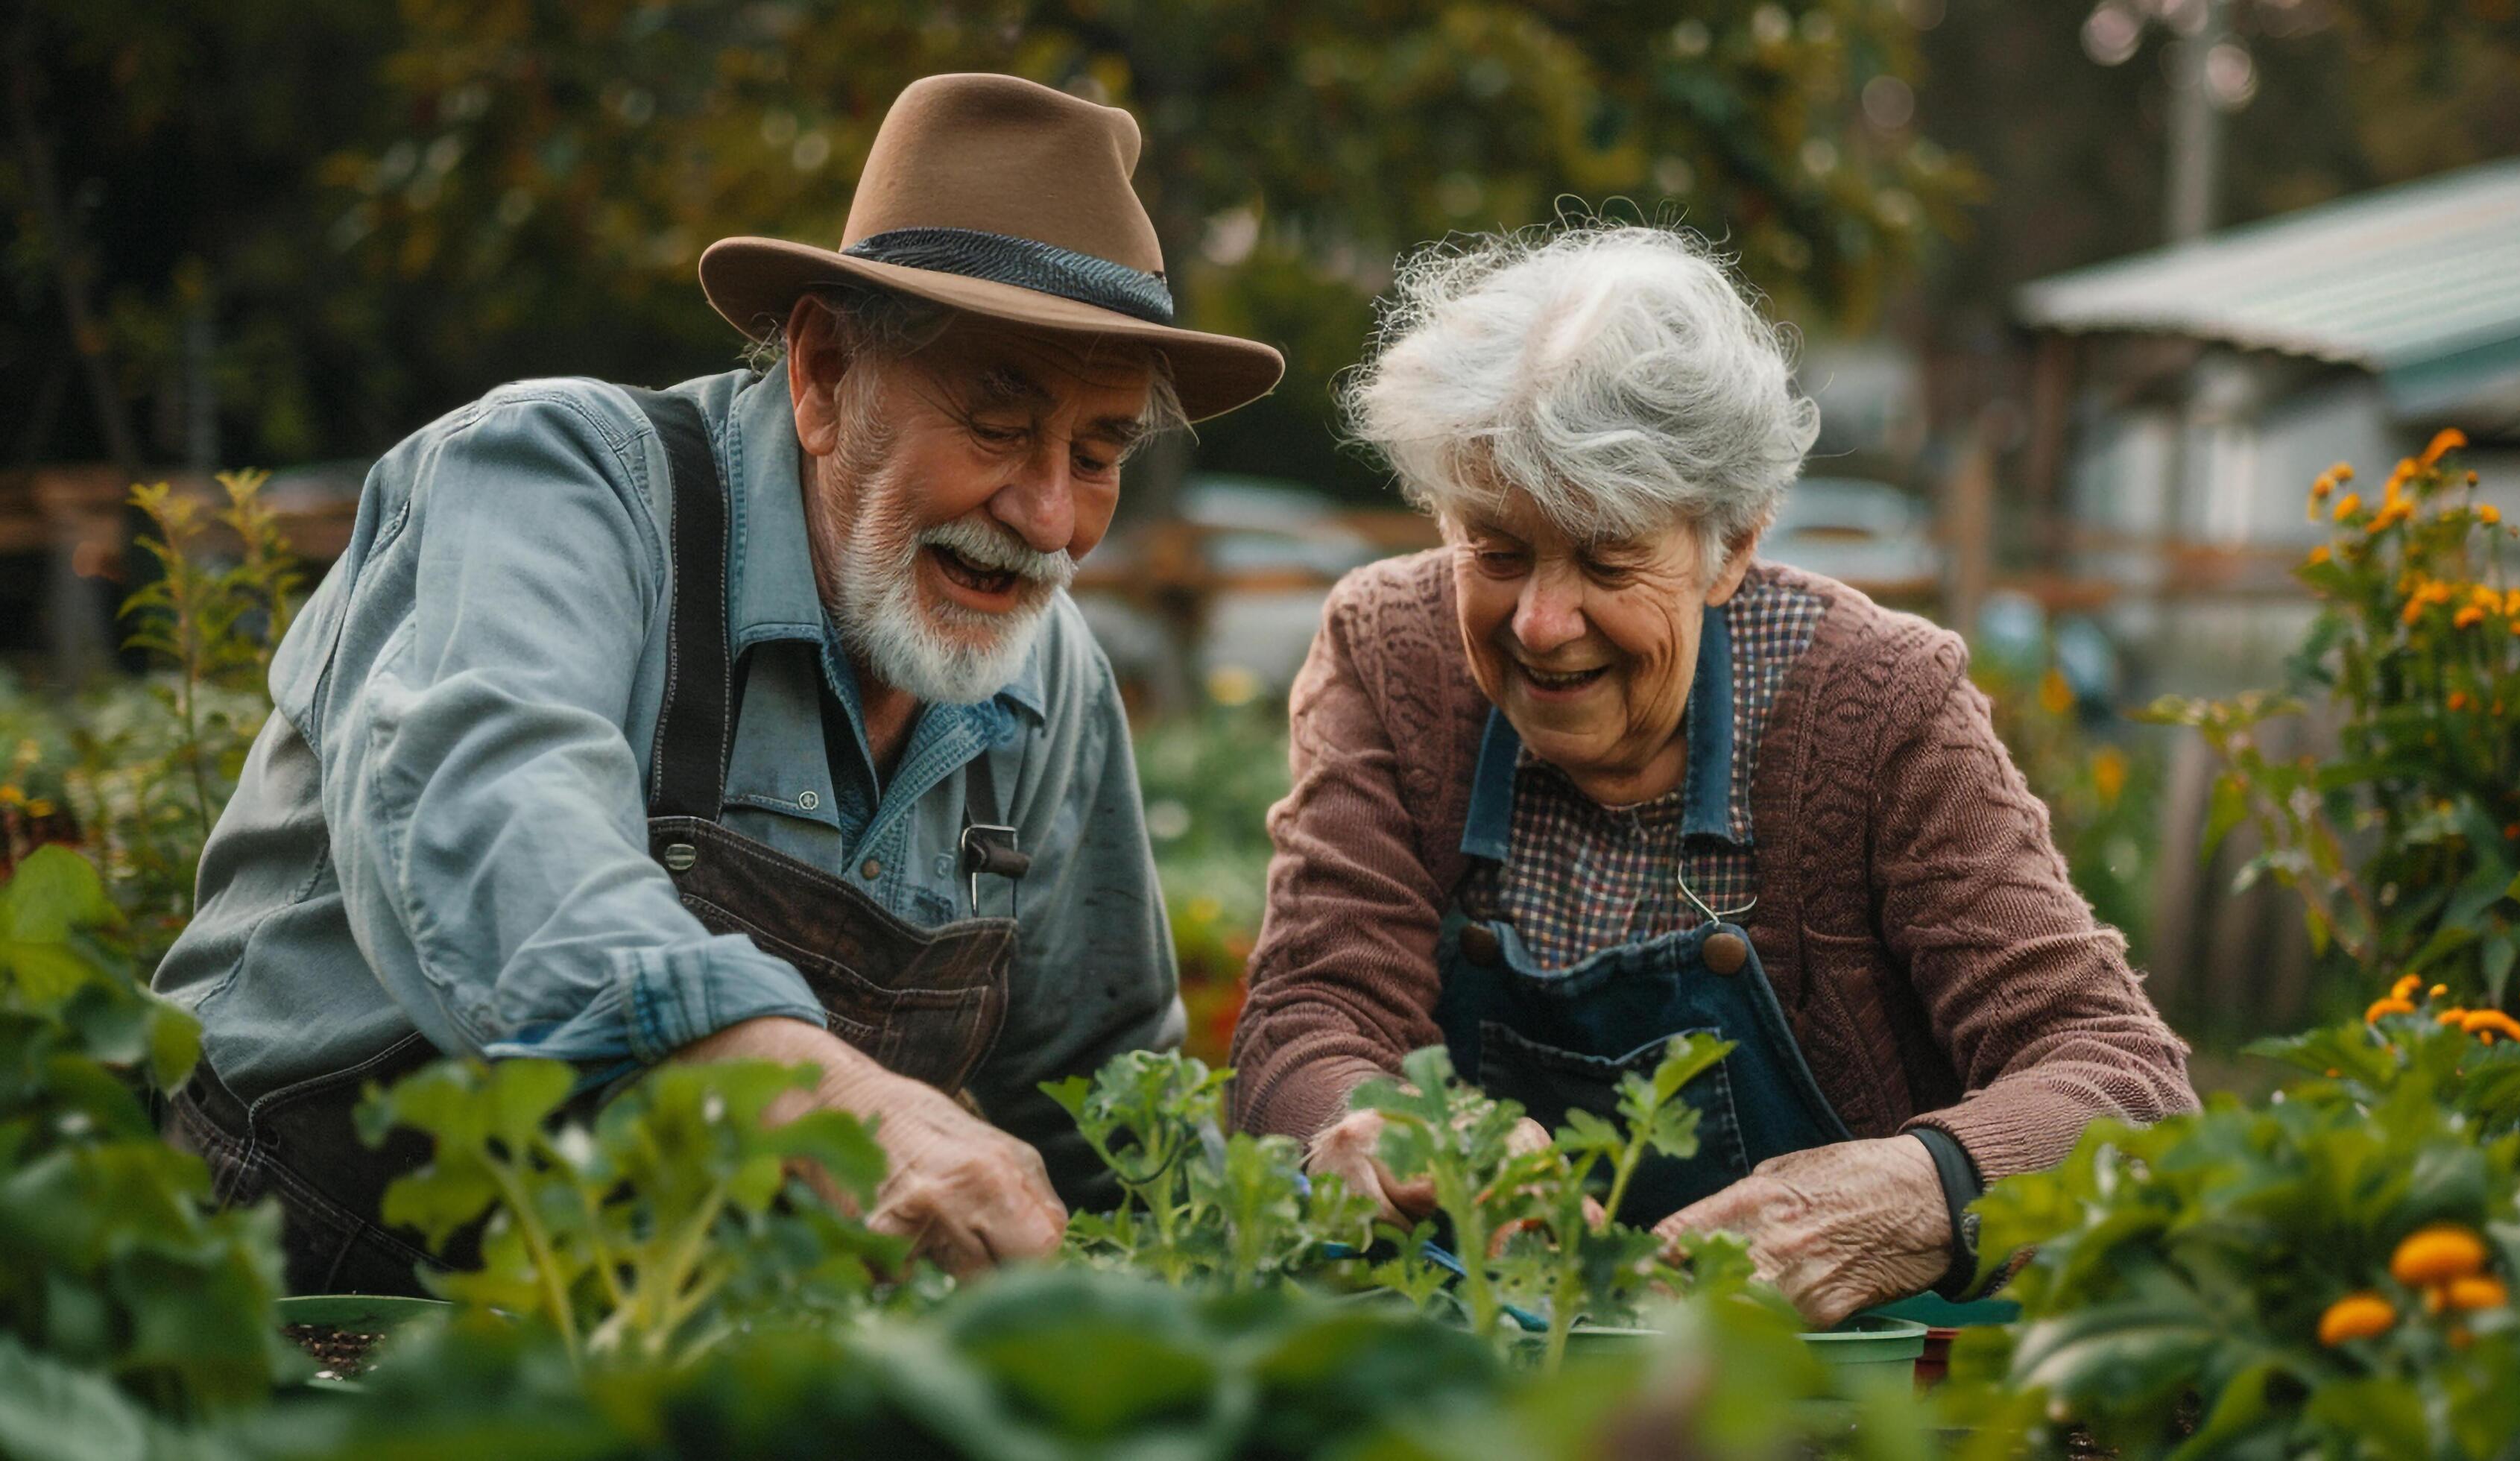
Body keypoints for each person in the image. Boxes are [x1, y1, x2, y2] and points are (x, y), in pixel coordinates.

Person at [154, 73, 1284, 1293]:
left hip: (675, 1339)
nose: (1049, 515)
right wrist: (806, 1081)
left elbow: (1105, 1098)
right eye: (998, 427)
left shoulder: (1047, 680)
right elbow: (484, 808)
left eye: (1099, 453)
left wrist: (1268, 1274)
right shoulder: (560, 484)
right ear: (821, 371)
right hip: (291, 1283)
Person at [1227, 224, 2193, 1326]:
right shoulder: (1394, 653)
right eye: (1495, 551)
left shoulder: (1875, 703)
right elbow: (1310, 1010)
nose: (1540, 624)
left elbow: (2124, 1080)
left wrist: (1928, 1186)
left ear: (1730, 545)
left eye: (1604, 558)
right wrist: (1369, 1121)